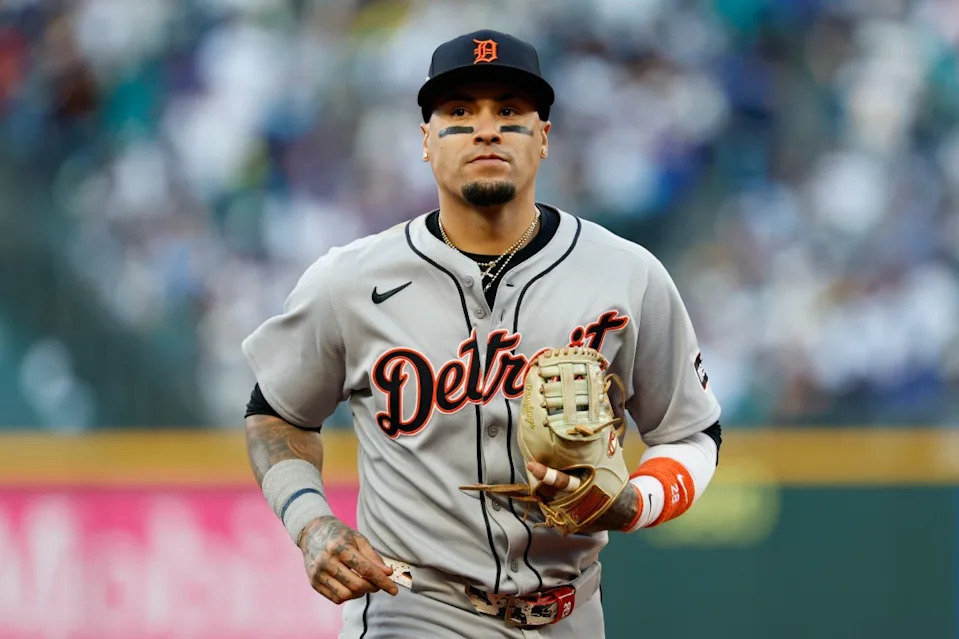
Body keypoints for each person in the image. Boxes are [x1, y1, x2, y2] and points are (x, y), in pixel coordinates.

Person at [242, 29, 723, 638]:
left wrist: (637, 502)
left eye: (511, 111)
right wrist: (311, 524)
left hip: (570, 614)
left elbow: (693, 433)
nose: (486, 128)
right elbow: (274, 412)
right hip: (413, 607)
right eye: (460, 112)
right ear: (426, 140)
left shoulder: (627, 274)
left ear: (544, 137)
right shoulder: (351, 280)